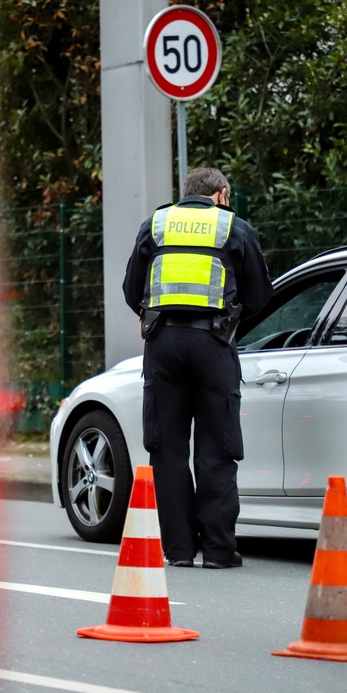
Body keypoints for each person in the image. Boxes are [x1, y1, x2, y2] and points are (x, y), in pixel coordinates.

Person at [122, 167, 272, 569]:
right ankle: (220, 552)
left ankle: (179, 551)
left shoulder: (154, 224)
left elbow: (130, 291)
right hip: (214, 343)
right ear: (221, 194)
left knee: (167, 448)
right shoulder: (234, 228)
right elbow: (260, 297)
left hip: (163, 345)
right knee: (217, 448)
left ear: (186, 194)